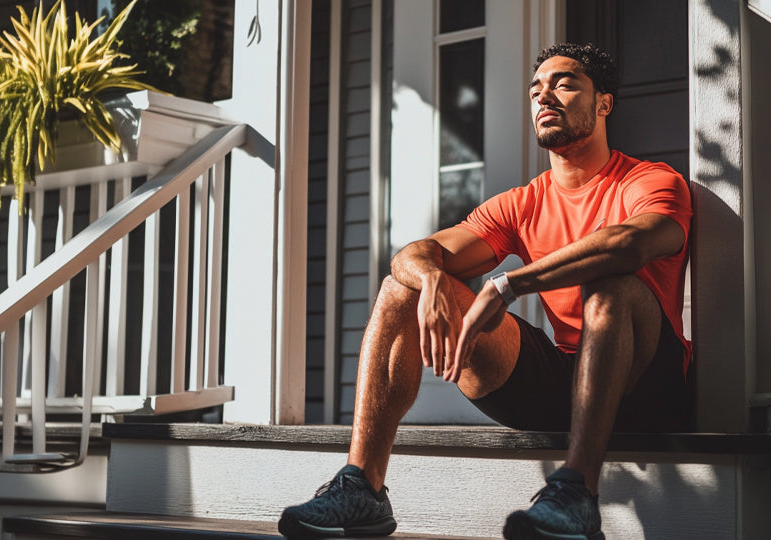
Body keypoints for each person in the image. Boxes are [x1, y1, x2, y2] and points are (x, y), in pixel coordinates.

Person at [278, 42, 693, 540]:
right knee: (400, 285)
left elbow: (627, 245)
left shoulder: (648, 180)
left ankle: (577, 493)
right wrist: (432, 280)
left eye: (564, 83)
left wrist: (507, 285)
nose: (546, 97)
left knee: (612, 287)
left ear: (604, 103)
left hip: (645, 383)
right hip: (561, 381)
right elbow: (415, 253)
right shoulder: (523, 202)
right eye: (536, 90)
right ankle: (363, 487)